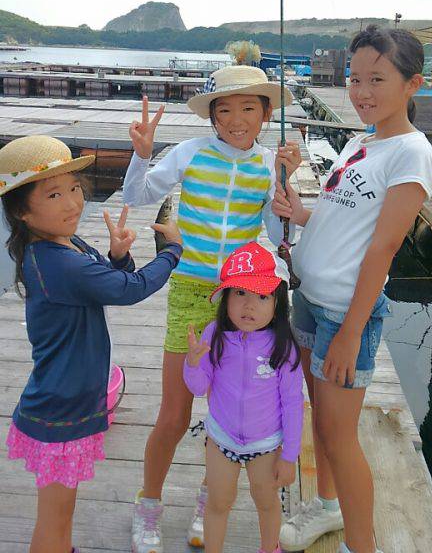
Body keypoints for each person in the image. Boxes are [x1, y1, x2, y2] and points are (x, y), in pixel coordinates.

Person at [122, 65, 299, 552]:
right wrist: (141, 157)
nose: (236, 119)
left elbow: (282, 237)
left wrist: (288, 185)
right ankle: (148, 505)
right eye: (225, 110)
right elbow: (139, 195)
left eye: (248, 108)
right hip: (189, 290)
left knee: (224, 409)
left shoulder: (269, 165)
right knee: (175, 414)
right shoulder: (190, 152)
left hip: (239, 300)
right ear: (213, 117)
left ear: (266, 113)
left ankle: (208, 503)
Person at [274, 25, 432, 553]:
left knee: (342, 439)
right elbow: (345, 217)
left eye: (377, 79)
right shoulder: (364, 142)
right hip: (310, 301)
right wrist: (300, 213)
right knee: (320, 422)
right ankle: (325, 509)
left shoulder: (410, 153)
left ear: (412, 84)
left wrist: (348, 333)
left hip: (346, 314)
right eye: (354, 77)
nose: (361, 91)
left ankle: (361, 546)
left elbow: (382, 249)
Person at [0, 134, 183, 553]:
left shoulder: (63, 245)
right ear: (22, 211)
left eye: (74, 189)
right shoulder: (57, 261)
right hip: (61, 409)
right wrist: (172, 251)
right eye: (53, 194)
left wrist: (118, 255)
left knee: (61, 512)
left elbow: (112, 279)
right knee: (54, 518)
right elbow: (131, 289)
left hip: (67, 399)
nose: (72, 203)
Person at [183, 241, 304, 553]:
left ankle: (269, 548)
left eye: (262, 296)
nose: (250, 305)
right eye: (240, 293)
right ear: (226, 297)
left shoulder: (283, 347)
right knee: (218, 503)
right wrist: (193, 363)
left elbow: (293, 404)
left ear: (278, 303)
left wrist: (289, 456)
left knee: (266, 503)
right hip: (221, 440)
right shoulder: (214, 335)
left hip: (265, 446)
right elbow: (198, 387)